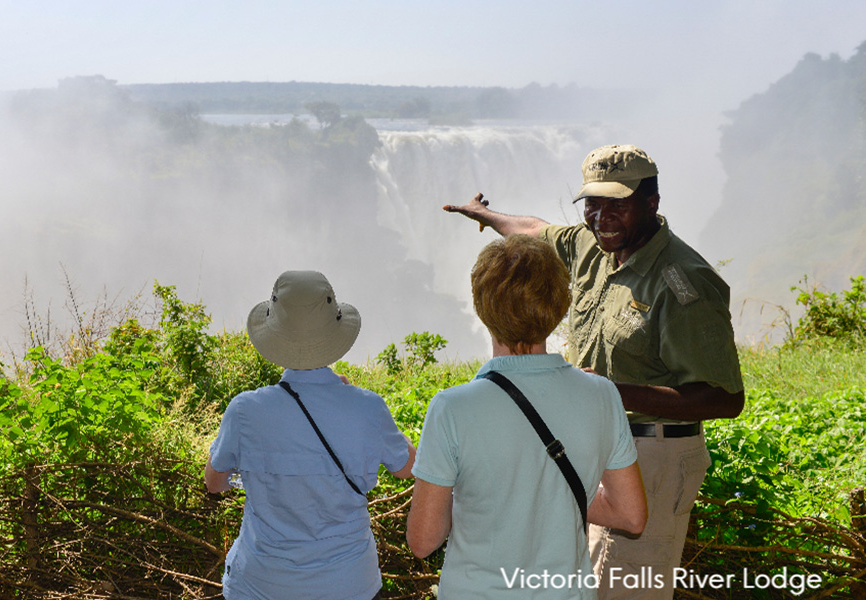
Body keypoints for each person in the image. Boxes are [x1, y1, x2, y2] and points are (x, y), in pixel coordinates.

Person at [443, 144, 745, 599]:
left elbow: (724, 399)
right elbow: (535, 230)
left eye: (617, 205)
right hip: (600, 447)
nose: (601, 217)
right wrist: (488, 217)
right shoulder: (594, 247)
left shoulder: (682, 282)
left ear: (652, 203)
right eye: (593, 203)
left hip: (653, 457)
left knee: (625, 589)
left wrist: (609, 392)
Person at [406, 234, 648, 599]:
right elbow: (631, 516)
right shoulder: (601, 395)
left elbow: (423, 541)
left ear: (483, 307)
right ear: (559, 305)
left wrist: (478, 497)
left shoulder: (452, 408)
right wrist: (558, 499)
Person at [205, 270, 417, 600]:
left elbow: (214, 483)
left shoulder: (244, 411)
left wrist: (250, 477)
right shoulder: (367, 408)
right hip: (349, 586)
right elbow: (409, 467)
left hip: (261, 586)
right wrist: (363, 407)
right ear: (334, 334)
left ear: (274, 334)